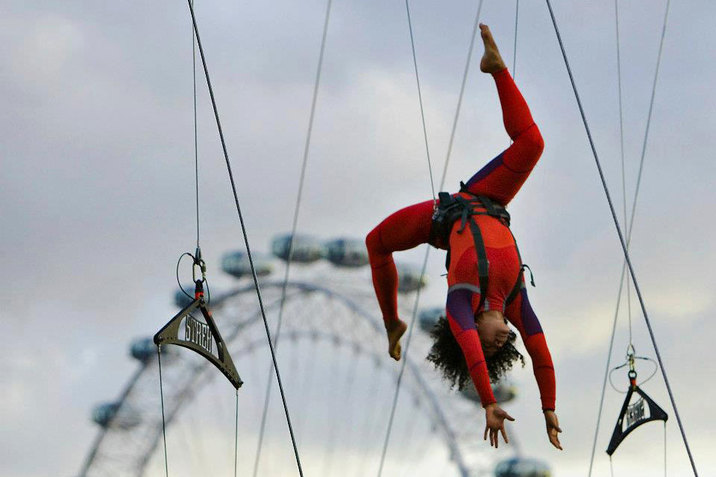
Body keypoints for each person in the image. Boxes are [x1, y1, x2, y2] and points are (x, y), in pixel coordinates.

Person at [365, 24, 562, 450]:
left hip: (443, 219)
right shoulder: (514, 302)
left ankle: (391, 321)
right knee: (533, 143)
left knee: (375, 243)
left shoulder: (462, 303)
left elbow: (472, 349)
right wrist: (549, 407)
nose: (500, 340)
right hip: (486, 198)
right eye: (501, 346)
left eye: (490, 347)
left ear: (468, 329)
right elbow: (541, 352)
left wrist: (487, 403)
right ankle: (497, 68)